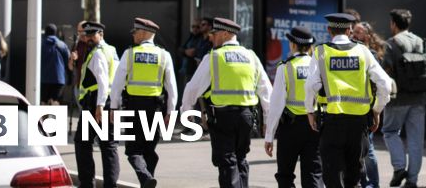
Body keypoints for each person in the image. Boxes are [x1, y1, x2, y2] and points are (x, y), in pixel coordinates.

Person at [305, 12, 393, 188]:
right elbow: (385, 84)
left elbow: (310, 86)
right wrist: (376, 110)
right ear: (350, 30)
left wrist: (310, 111)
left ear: (329, 30)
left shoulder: (321, 52)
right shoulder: (363, 51)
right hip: (358, 123)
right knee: (354, 175)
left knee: (331, 174)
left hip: (332, 122)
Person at [182, 17, 271, 188]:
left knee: (227, 161)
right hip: (246, 117)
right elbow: (266, 91)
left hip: (222, 117)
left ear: (225, 34)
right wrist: (267, 121)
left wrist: (187, 114)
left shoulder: (214, 57)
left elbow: (192, 89)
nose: (211, 38)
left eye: (214, 34)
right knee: (241, 159)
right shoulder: (251, 56)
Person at [110, 17, 178, 188]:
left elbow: (117, 83)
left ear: (143, 33)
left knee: (133, 150)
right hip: (156, 109)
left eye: (135, 32)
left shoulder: (130, 53)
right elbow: (172, 87)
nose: (133, 36)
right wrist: (170, 111)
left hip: (133, 108)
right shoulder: (164, 55)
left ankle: (146, 178)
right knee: (149, 150)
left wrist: (113, 107)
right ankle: (148, 180)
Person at [264, 26, 323, 188]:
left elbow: (276, 105)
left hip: (290, 127)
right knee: (314, 173)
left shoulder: (286, 67)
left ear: (293, 44)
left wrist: (269, 136)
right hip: (315, 125)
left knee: (285, 175)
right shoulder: (318, 66)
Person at [381, 9, 426, 188]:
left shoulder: (391, 44)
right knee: (416, 140)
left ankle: (399, 166)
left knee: (390, 131)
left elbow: (385, 72)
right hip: (419, 98)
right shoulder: (421, 42)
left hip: (398, 99)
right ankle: (412, 181)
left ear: (394, 24)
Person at [74, 21, 120, 188]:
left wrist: (99, 106)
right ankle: (110, 184)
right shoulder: (111, 50)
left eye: (92, 34)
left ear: (101, 34)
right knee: (108, 145)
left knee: (82, 142)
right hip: (108, 101)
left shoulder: (98, 53)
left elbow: (102, 81)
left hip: (96, 103)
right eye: (86, 35)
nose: (88, 38)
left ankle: (87, 183)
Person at [353, 21, 386, 188]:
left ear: (367, 36)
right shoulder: (355, 52)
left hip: (368, 107)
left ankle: (372, 182)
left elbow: (380, 84)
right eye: (353, 31)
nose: (353, 34)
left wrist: (376, 109)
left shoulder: (370, 54)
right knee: (361, 148)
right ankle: (363, 181)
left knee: (368, 149)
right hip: (356, 107)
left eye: (358, 32)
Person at [41, 23, 71, 105]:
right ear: (56, 32)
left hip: (43, 79)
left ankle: (43, 117)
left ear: (45, 32)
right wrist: (70, 77)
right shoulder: (62, 45)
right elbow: (68, 62)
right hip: (58, 79)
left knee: (43, 103)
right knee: (55, 103)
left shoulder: (40, 44)